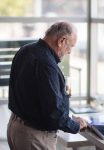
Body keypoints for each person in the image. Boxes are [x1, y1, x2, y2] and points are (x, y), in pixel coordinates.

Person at [7, 21, 87, 150]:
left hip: (15, 127)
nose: (70, 52)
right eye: (70, 47)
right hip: (33, 135)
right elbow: (53, 113)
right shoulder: (46, 64)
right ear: (62, 40)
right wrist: (75, 125)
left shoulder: (26, 49)